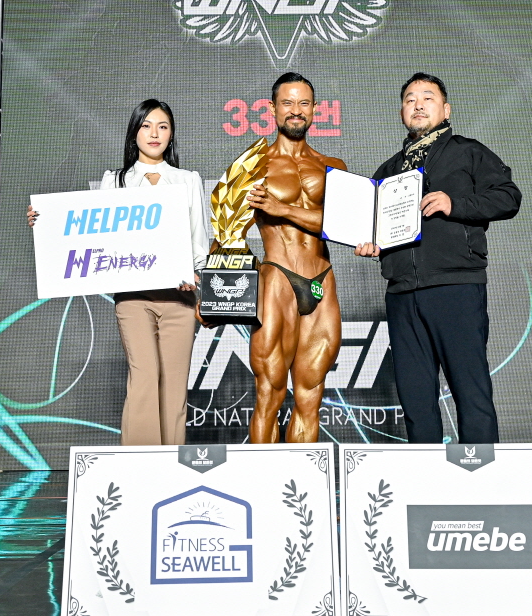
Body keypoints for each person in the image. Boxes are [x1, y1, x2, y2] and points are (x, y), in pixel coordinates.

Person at [27, 99, 208, 444]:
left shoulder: (188, 180)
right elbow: (87, 229)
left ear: (171, 135)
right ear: (134, 132)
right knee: (144, 376)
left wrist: (193, 271)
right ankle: (139, 465)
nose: (154, 133)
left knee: (174, 385)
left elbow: (198, 239)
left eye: (163, 127)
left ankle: (172, 465)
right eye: (146, 126)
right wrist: (44, 220)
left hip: (180, 298)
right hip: (133, 299)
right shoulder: (115, 180)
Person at [355, 73, 521, 443]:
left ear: (446, 110)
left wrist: (454, 203)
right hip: (401, 293)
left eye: (427, 97)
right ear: (401, 112)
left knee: (470, 390)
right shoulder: (387, 171)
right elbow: (377, 230)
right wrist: (373, 244)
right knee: (415, 399)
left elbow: (509, 197)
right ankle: (424, 475)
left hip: (455, 286)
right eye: (409, 99)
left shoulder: (468, 151)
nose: (417, 104)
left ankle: (482, 473)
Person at [244, 73, 347, 443]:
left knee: (310, 395)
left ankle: (300, 479)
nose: (296, 111)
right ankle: (263, 479)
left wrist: (281, 208)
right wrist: (212, 298)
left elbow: (343, 225)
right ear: (272, 109)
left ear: (315, 109)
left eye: (304, 103)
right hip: (278, 278)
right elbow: (228, 234)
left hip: (321, 280)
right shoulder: (253, 167)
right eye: (287, 103)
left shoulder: (334, 166)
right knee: (269, 394)